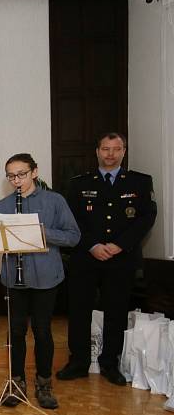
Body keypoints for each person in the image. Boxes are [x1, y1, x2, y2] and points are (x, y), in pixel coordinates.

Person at [57, 133, 156, 386]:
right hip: (86, 258)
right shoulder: (79, 184)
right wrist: (92, 245)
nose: (110, 154)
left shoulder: (140, 182)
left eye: (116, 149)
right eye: (105, 149)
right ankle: (78, 361)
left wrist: (118, 245)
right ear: (97, 152)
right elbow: (72, 220)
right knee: (79, 311)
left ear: (124, 151)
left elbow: (146, 218)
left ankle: (110, 363)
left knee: (116, 312)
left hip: (121, 259)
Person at [0, 153, 80, 409]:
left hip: (45, 277)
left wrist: (43, 232)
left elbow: (73, 237)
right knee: (16, 332)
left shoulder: (55, 201)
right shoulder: (3, 206)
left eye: (21, 174)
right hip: (14, 276)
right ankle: (16, 382)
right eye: (11, 176)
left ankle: (44, 383)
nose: (16, 180)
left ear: (34, 172)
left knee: (42, 332)